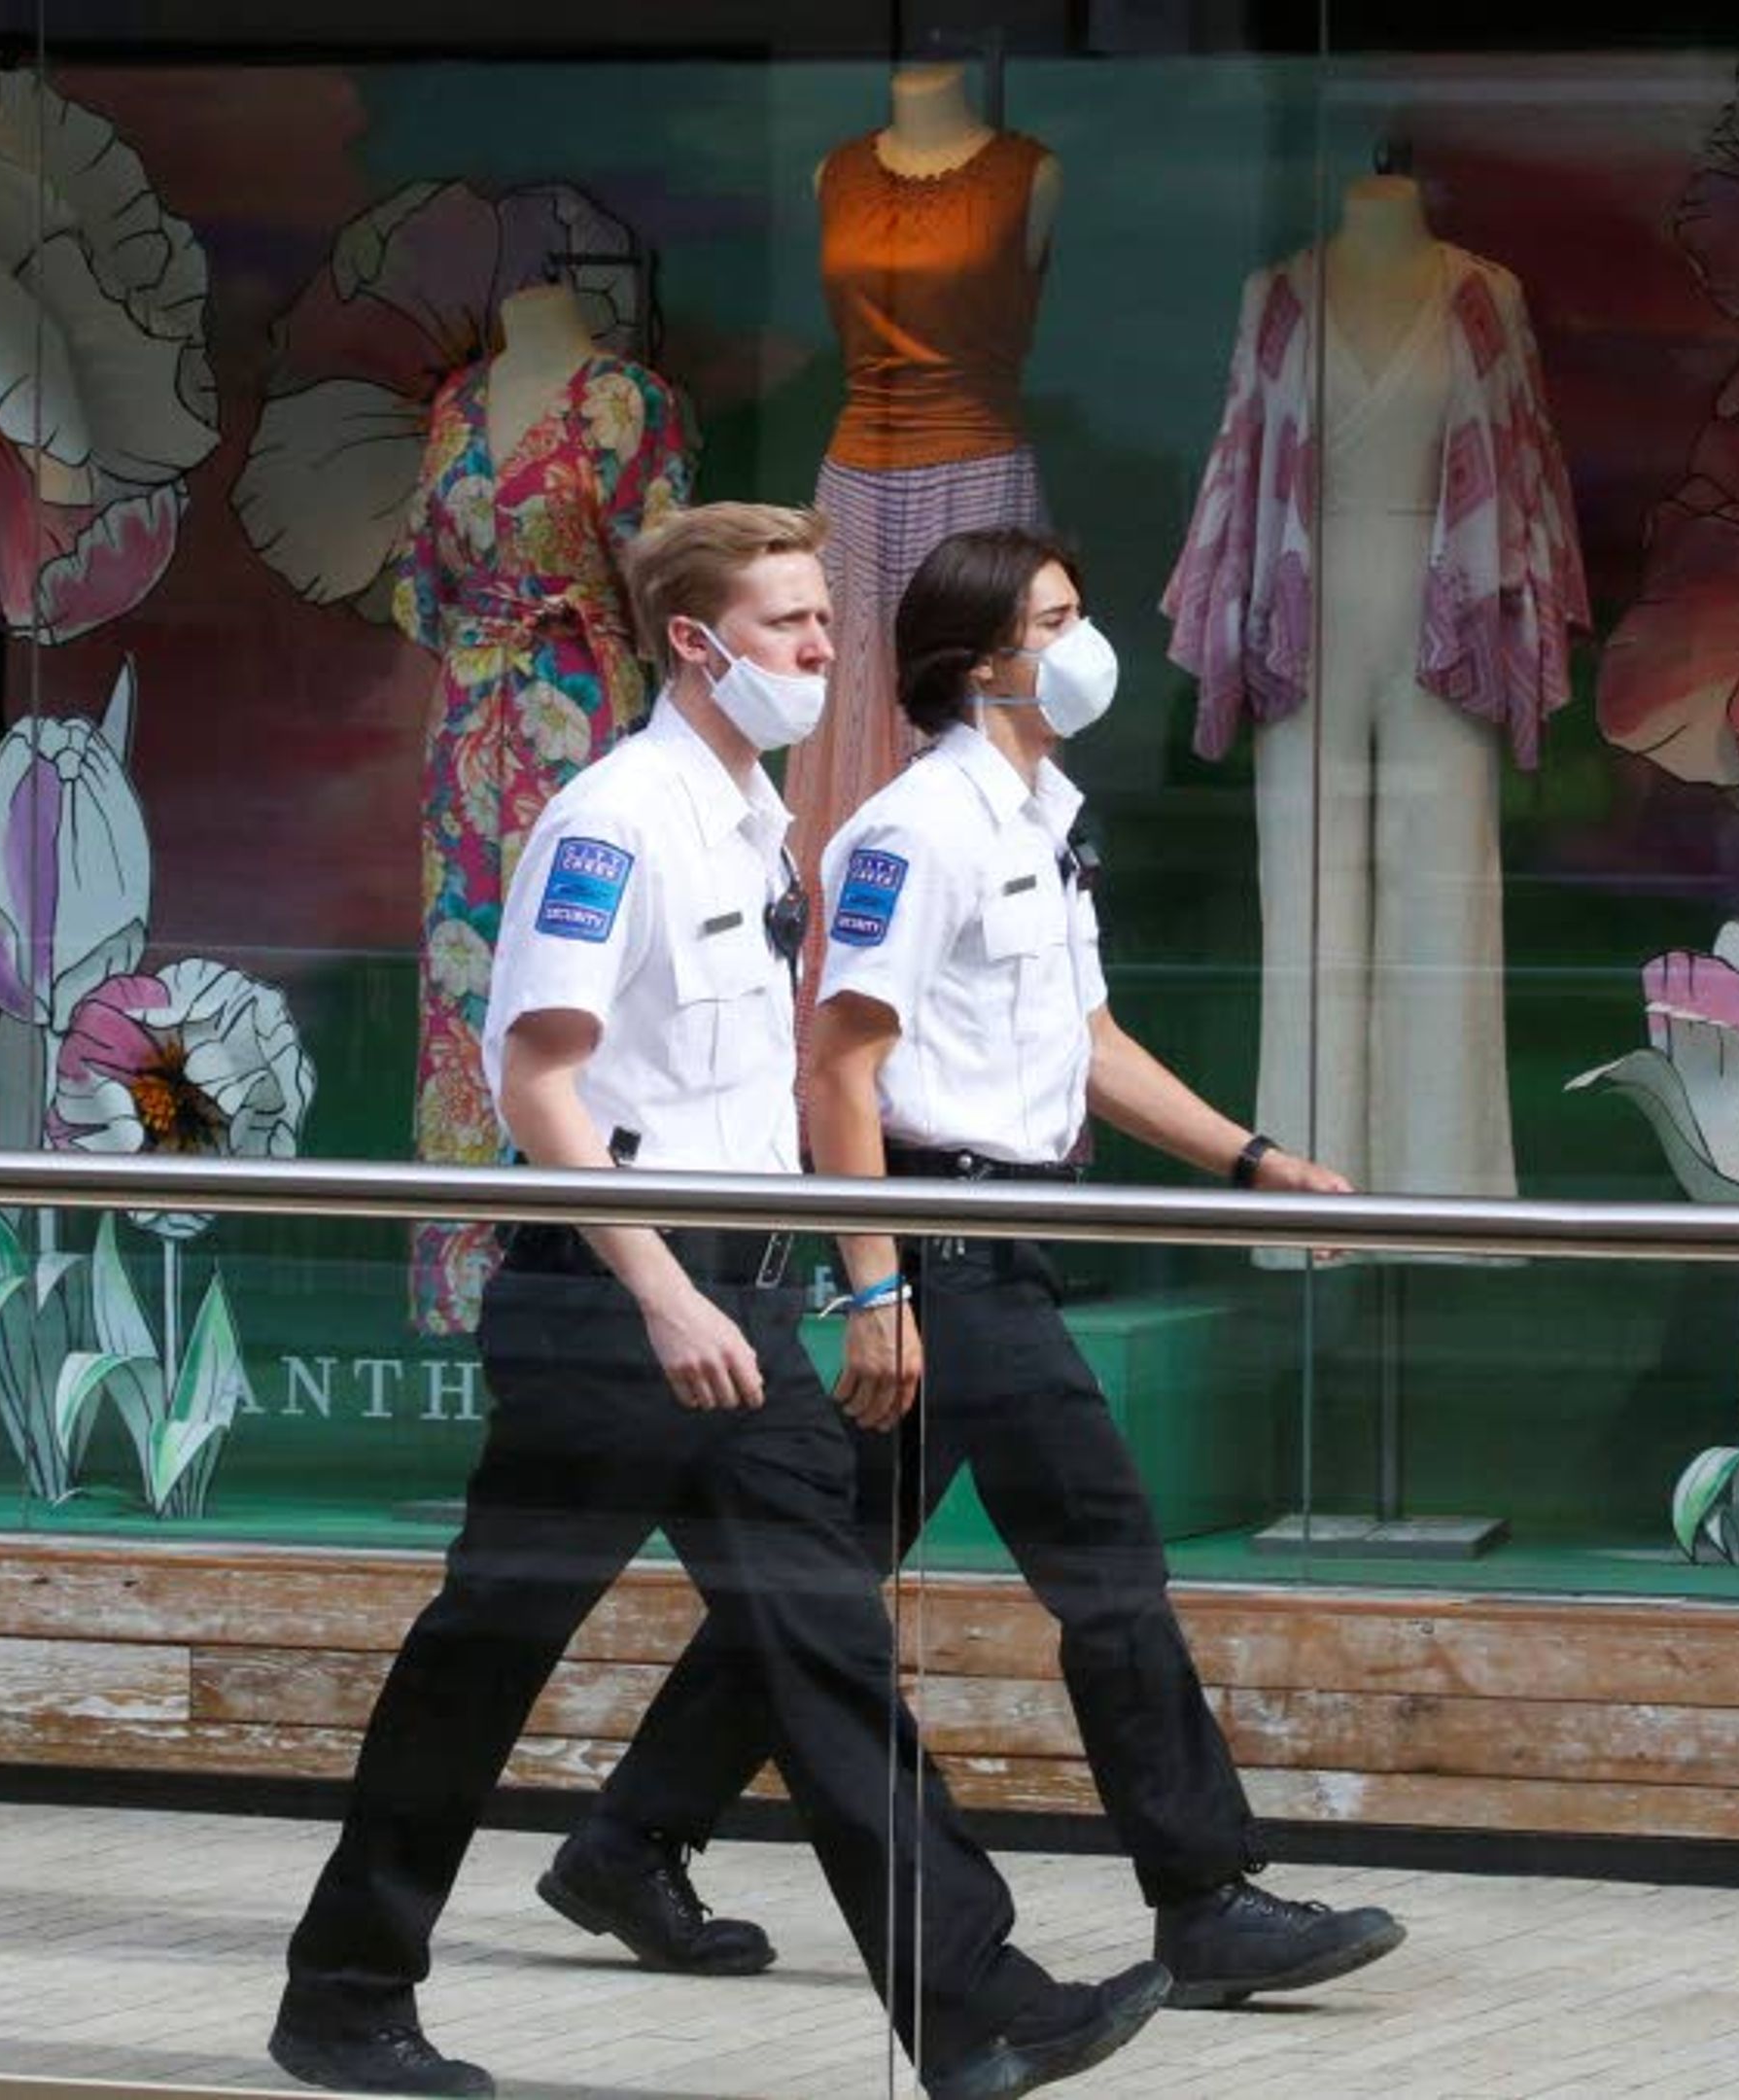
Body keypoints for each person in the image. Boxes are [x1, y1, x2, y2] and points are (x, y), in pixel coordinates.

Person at [272, 504, 1166, 2100]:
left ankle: (977, 2011)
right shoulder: (613, 819)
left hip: (740, 1310)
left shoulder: (759, 827)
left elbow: (770, 1096)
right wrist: (666, 1293)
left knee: (832, 1653)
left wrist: (824, 1285)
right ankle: (345, 1996)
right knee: (485, 1655)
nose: (824, 653)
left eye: (825, 622)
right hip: (615, 1309)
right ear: (695, 643)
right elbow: (534, 1083)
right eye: (788, 627)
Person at [542, 526, 1409, 2012]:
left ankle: (628, 1841)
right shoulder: (915, 830)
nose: (1084, 646)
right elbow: (842, 1070)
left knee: (828, 1583)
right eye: (1055, 620)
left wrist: (1253, 1162)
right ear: (978, 661)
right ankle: (1205, 1897)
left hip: (1006, 1238)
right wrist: (878, 1286)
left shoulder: (1040, 814)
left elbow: (1091, 1044)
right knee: (1109, 1563)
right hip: (942, 1253)